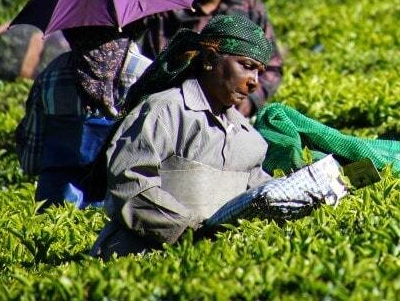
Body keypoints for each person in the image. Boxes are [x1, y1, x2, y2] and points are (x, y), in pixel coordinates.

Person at [91, 14, 274, 258]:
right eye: (247, 66)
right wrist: (193, 230)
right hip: (135, 258)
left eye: (260, 72)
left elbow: (257, 197)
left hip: (208, 264)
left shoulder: (249, 138)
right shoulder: (163, 111)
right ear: (210, 58)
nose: (254, 83)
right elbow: (130, 184)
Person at [15, 24, 151, 209]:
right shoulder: (146, 74)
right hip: (118, 211)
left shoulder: (50, 76)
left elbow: (30, 162)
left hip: (56, 212)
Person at [139, 0, 282, 116]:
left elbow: (272, 66)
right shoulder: (166, 9)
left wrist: (246, 103)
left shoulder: (248, 8)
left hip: (230, 113)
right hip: (167, 107)